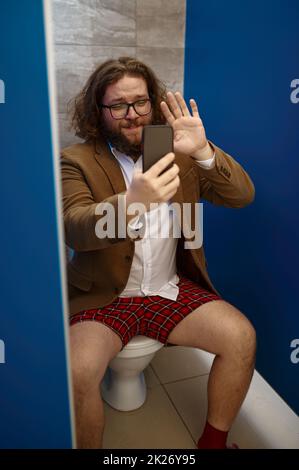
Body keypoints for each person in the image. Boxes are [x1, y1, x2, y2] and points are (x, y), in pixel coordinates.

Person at [61, 57, 256, 449]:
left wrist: (203, 151)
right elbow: (76, 227)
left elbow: (241, 196)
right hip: (105, 298)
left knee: (241, 337)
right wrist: (132, 202)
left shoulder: (174, 152)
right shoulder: (76, 159)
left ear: (153, 103)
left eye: (140, 102)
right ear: (98, 112)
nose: (132, 115)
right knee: (79, 372)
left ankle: (213, 445)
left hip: (169, 289)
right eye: (118, 105)